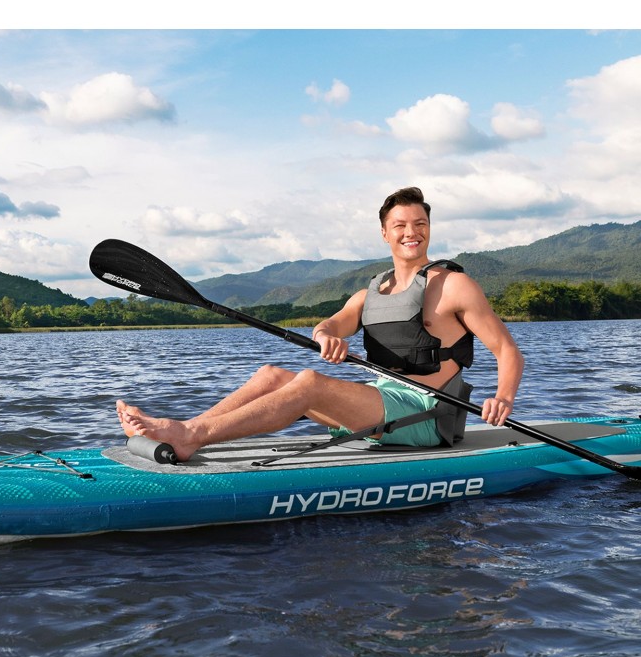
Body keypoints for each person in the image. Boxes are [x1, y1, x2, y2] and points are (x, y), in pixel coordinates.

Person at [117, 187, 524, 461]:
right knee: (271, 374)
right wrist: (326, 335)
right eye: (400, 225)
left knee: (309, 382)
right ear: (385, 233)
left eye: (420, 224)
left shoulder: (454, 286)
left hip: (425, 415)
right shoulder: (370, 293)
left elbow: (507, 350)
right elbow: (330, 324)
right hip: (382, 404)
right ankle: (189, 430)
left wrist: (502, 398)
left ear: (429, 229)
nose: (411, 232)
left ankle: (189, 437)